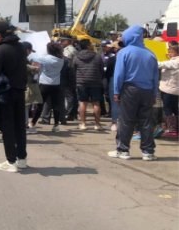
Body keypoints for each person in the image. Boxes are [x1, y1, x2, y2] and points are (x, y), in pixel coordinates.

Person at [109, 25, 160, 161]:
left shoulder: (124, 52)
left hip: (130, 89)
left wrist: (116, 91)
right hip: (148, 91)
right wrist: (154, 93)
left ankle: (123, 150)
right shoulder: (151, 54)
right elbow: (156, 77)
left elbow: (119, 75)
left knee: (126, 120)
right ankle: (148, 152)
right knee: (146, 121)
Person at [0, 22, 28, 173]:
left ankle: (11, 161)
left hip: (5, 93)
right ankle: (22, 159)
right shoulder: (21, 47)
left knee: (8, 127)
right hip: (20, 91)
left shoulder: (1, 50)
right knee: (20, 126)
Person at [28, 42, 65, 133]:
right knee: (56, 105)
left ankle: (33, 123)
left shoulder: (46, 59)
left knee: (40, 104)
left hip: (44, 83)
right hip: (56, 84)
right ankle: (56, 125)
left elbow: (31, 58)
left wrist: (34, 52)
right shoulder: (61, 59)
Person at [72, 39, 105, 130]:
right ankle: (97, 124)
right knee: (96, 103)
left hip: (81, 83)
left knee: (82, 103)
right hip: (95, 82)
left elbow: (73, 70)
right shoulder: (97, 56)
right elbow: (101, 69)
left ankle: (83, 124)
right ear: (87, 46)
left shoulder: (76, 57)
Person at [158, 42, 179, 138]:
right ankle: (175, 128)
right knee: (174, 108)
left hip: (169, 89)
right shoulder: (173, 60)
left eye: (171, 52)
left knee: (168, 109)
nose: (169, 53)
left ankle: (172, 129)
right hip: (173, 89)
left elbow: (160, 64)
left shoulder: (175, 61)